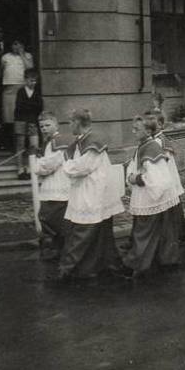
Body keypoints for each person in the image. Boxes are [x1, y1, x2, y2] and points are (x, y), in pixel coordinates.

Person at [56, 109, 128, 284]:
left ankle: (67, 270)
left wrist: (66, 166)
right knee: (101, 233)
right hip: (90, 190)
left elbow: (82, 167)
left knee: (83, 233)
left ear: (78, 122)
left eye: (70, 121)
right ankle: (104, 266)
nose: (69, 125)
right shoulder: (83, 141)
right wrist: (70, 164)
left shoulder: (93, 142)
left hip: (94, 192)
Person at [122, 115, 182, 283]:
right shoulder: (145, 146)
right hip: (154, 197)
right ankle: (167, 261)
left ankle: (133, 264)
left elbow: (158, 178)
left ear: (148, 131)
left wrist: (136, 179)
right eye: (133, 129)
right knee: (163, 231)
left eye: (137, 129)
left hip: (152, 197)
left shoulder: (151, 148)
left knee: (144, 232)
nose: (133, 132)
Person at [146, 110, 185, 246]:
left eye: (152, 123)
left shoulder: (160, 141)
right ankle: (181, 234)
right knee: (173, 207)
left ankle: (182, 234)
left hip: (167, 179)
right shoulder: (155, 140)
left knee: (173, 208)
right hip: (166, 179)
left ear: (160, 125)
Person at [34, 111, 72, 260]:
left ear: (56, 125)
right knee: (50, 217)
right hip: (51, 184)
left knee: (51, 216)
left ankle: (60, 249)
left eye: (47, 125)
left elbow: (49, 164)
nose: (44, 128)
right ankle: (59, 248)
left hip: (58, 183)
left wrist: (37, 166)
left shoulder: (58, 142)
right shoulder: (49, 142)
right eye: (41, 126)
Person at [0, 39, 34, 136]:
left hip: (23, 87)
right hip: (9, 89)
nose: (16, 47)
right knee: (10, 116)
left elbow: (30, 68)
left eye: (19, 44)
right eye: (14, 44)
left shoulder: (28, 56)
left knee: (22, 115)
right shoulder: (5, 57)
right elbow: (1, 71)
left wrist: (22, 54)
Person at [13, 68, 43, 179]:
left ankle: (31, 168)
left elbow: (39, 107)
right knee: (20, 145)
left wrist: (29, 107)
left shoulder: (37, 92)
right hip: (20, 120)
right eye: (31, 80)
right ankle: (20, 169)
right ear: (25, 80)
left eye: (35, 81)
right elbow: (19, 107)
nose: (33, 83)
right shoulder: (20, 92)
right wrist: (31, 107)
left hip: (33, 121)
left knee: (33, 145)